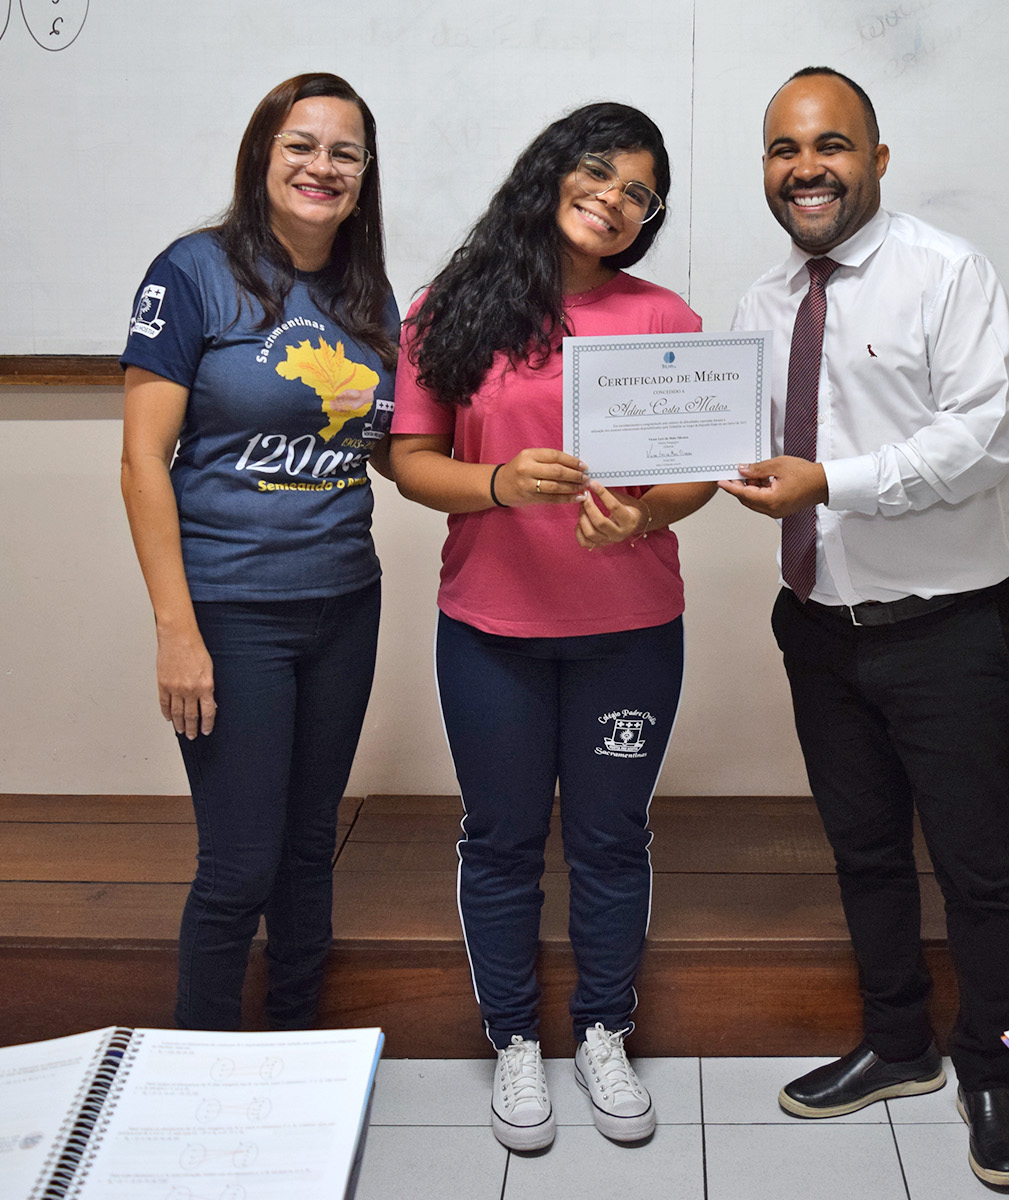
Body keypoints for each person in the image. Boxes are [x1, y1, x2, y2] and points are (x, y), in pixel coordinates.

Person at [722, 67, 1009, 1188]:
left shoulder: (948, 275)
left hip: (946, 629)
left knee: (974, 866)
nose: (806, 169)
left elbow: (978, 443)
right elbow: (736, 444)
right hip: (817, 624)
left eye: (832, 145)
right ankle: (899, 1044)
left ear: (877, 159)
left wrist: (831, 482)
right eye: (784, 149)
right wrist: (647, 480)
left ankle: (987, 1070)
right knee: (863, 854)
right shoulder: (762, 304)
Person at [389, 103, 715, 1152]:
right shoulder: (449, 307)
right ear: (552, 171)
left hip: (631, 630)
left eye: (640, 193)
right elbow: (410, 461)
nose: (615, 199)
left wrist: (645, 515)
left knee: (612, 839)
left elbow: (697, 474)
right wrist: (496, 482)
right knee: (502, 840)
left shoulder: (665, 319)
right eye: (600, 171)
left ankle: (605, 1032)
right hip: (491, 630)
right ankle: (516, 1040)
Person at [119, 73, 400, 1032]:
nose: (323, 166)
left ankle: (295, 1056)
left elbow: (385, 447)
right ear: (261, 157)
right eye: (301, 145)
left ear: (364, 175)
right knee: (240, 865)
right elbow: (142, 463)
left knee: (308, 847)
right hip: (231, 614)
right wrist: (176, 632)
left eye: (345, 153)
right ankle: (197, 1070)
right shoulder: (192, 273)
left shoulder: (367, 292)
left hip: (344, 604)